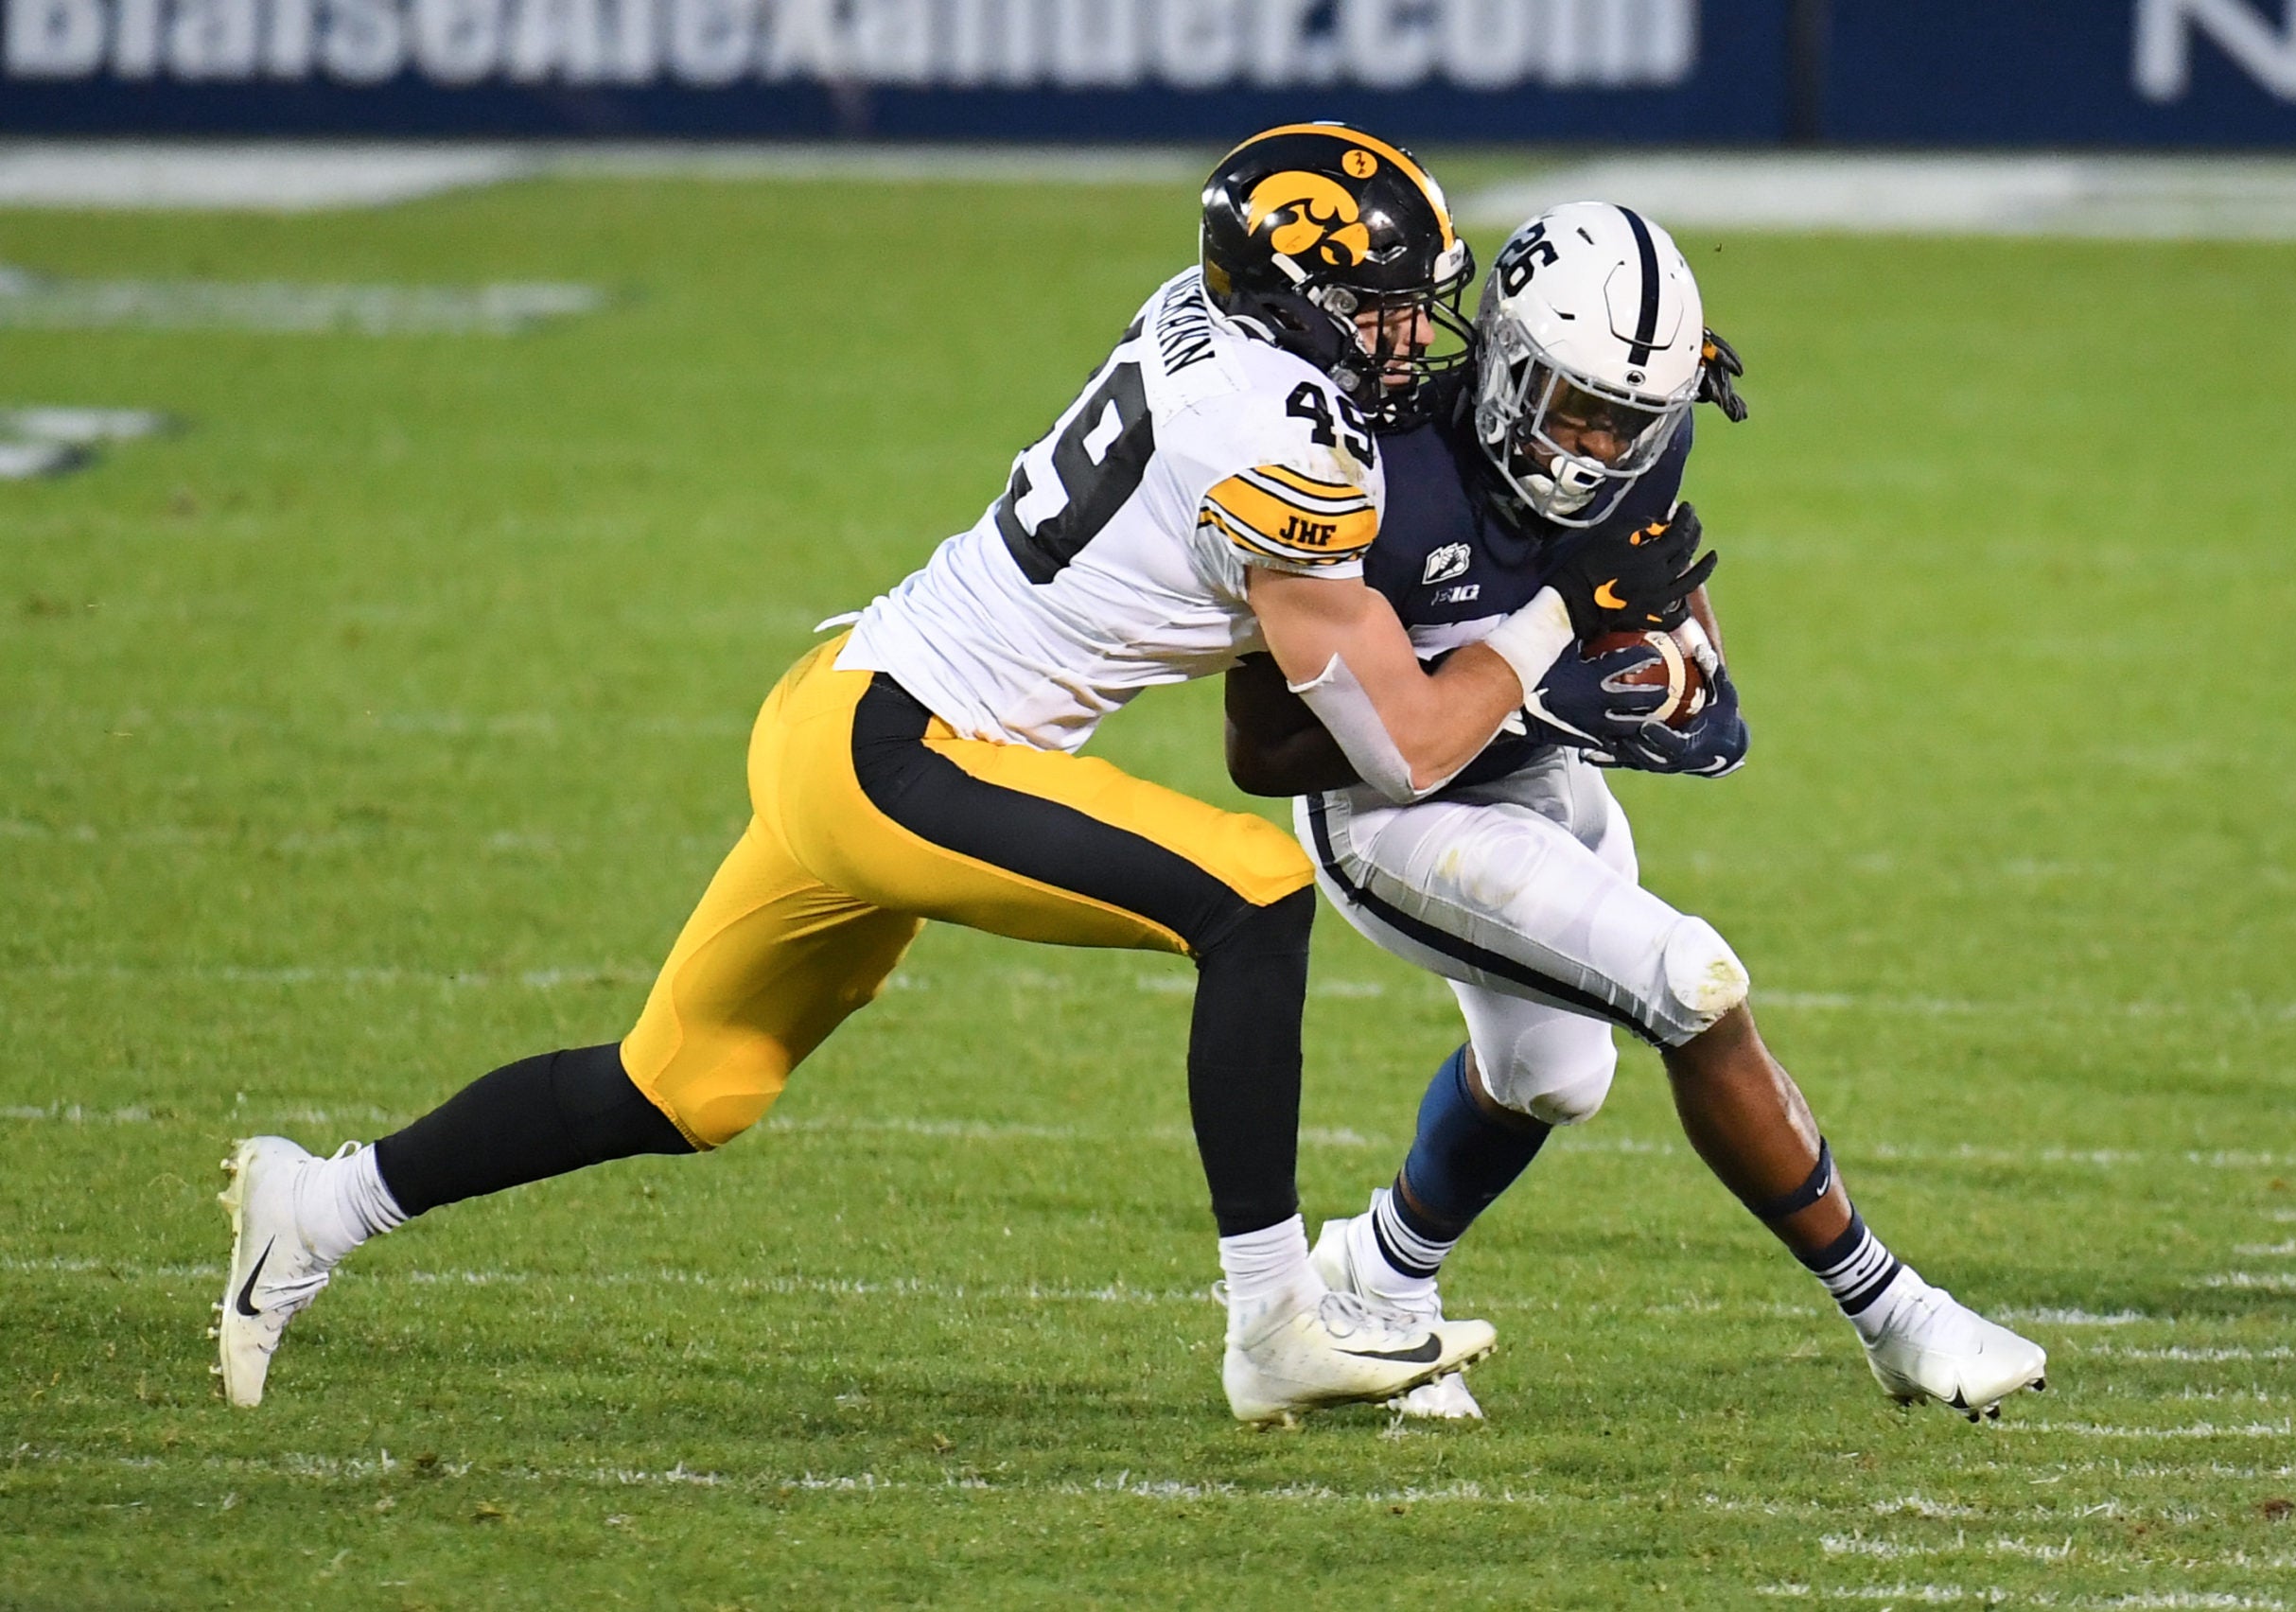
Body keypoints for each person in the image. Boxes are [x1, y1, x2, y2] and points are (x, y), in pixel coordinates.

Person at [212, 130, 1715, 1428]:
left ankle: (318, 1202)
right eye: (1384, 313)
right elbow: (1411, 748)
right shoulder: (1283, 437)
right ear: (1302, 307)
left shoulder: (1207, 323)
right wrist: (1558, 607)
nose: (1414, 341)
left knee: (688, 1085)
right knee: (1254, 897)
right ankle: (1274, 1329)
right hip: (901, 750)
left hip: (851, 710)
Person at [1223, 202, 2049, 1422]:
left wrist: (1667, 674)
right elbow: (1265, 747)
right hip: (1383, 815)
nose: (1600, 444)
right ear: (1505, 361)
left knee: (1553, 1076)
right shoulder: (1371, 466)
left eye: (1630, 418)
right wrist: (1537, 679)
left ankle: (1380, 1280)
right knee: (1692, 980)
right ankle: (1895, 1313)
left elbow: (1698, 683)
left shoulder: (1639, 449)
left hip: (1530, 784)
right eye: (1576, 407)